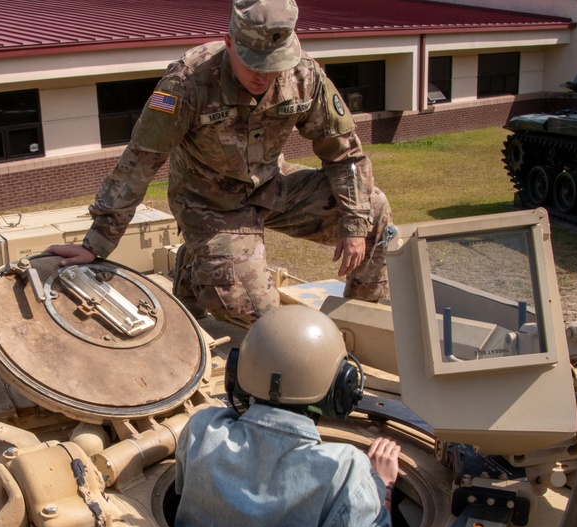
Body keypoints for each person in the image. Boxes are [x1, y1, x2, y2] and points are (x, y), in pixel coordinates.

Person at [47, 0, 392, 326]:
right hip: (207, 202)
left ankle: (360, 322)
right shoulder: (188, 82)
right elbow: (140, 162)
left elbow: (345, 153)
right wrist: (96, 243)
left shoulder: (305, 76)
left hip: (271, 186)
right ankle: (197, 268)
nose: (264, 76)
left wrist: (354, 225)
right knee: (262, 318)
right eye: (254, 64)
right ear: (229, 43)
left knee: (372, 210)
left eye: (274, 65)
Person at [173, 304, 401, 527]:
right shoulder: (347, 471)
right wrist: (383, 488)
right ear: (340, 388)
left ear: (237, 374)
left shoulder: (201, 430)